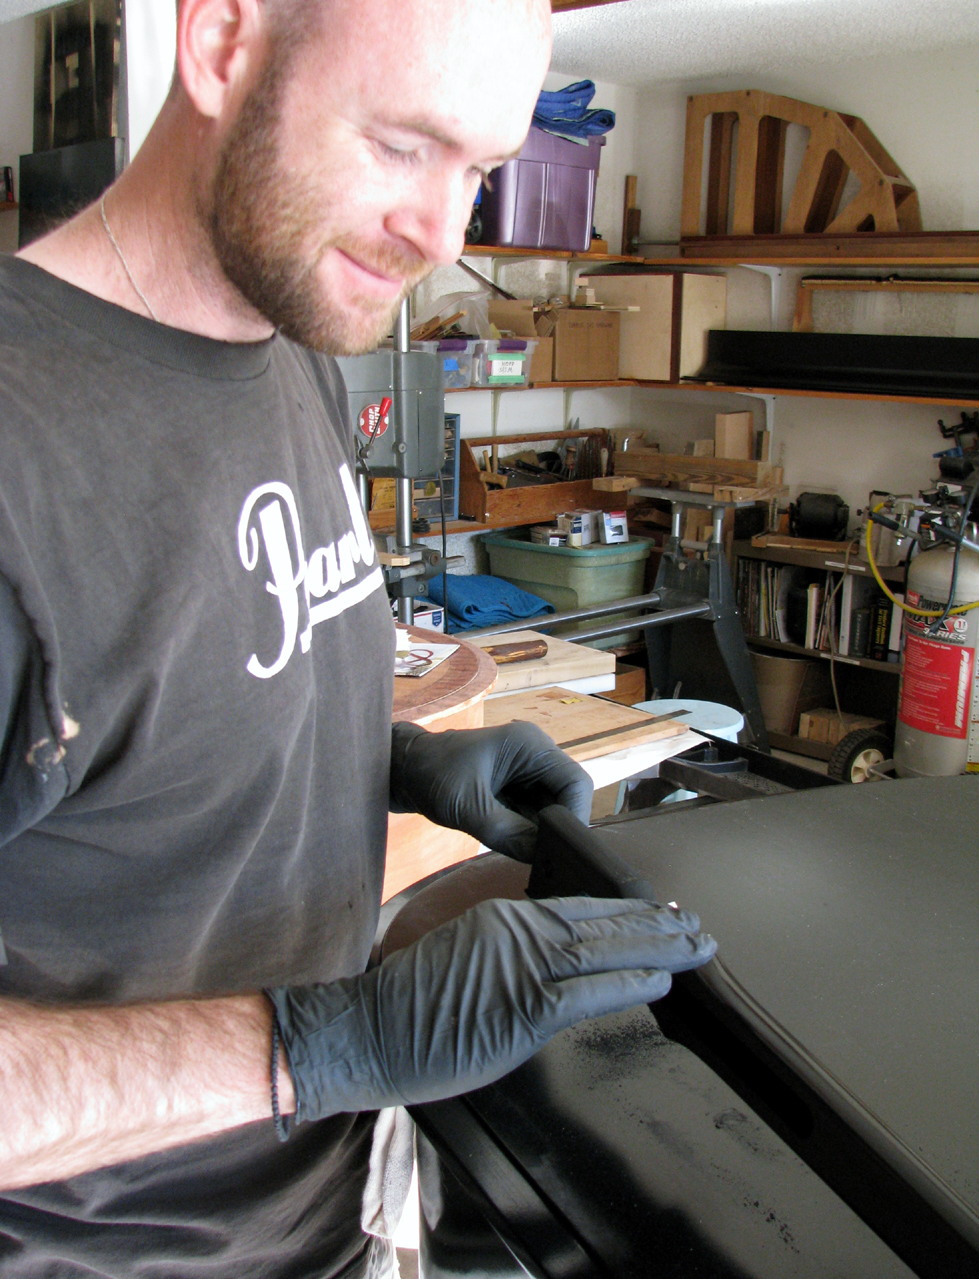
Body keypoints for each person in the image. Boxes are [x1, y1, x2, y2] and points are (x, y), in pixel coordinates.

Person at [0, 2, 716, 1275]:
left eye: (481, 171)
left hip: (335, 1207)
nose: (443, 236)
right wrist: (319, 1045)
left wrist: (373, 753)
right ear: (222, 44)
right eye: (400, 143)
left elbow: (162, 689)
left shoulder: (298, 346)